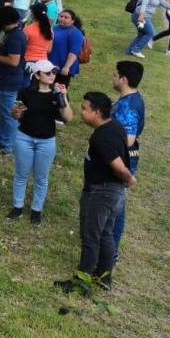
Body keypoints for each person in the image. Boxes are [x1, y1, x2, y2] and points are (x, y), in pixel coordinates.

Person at [55, 92, 135, 294]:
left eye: (84, 108)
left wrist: (129, 178)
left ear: (97, 112)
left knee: (90, 237)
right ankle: (104, 277)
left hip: (102, 193)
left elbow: (118, 166)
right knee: (105, 234)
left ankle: (81, 281)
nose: (81, 111)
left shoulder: (101, 137)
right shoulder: (114, 126)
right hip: (114, 193)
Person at [7, 60, 74, 225]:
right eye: (47, 72)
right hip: (24, 137)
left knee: (41, 178)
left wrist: (63, 96)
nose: (52, 75)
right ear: (37, 75)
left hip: (46, 141)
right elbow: (16, 115)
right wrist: (15, 112)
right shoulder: (25, 93)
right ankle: (17, 206)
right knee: (21, 174)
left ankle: (36, 210)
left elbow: (68, 118)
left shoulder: (57, 94)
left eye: (53, 72)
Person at [110, 61, 145, 264]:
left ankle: (112, 251)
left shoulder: (129, 105)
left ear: (123, 79)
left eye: (115, 75)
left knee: (117, 206)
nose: (113, 78)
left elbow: (128, 139)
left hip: (121, 160)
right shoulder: (130, 99)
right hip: (120, 158)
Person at [0, 7, 27, 156]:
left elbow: (14, 61)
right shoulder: (11, 33)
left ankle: (8, 145)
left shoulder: (15, 37)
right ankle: (0, 138)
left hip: (8, 81)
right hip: (4, 79)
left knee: (9, 115)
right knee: (3, 113)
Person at [49, 9, 86, 88]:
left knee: (58, 90)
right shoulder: (55, 28)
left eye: (66, 18)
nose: (62, 19)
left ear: (72, 21)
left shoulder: (75, 33)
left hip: (63, 68)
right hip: (52, 65)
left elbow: (74, 52)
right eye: (61, 16)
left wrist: (66, 67)